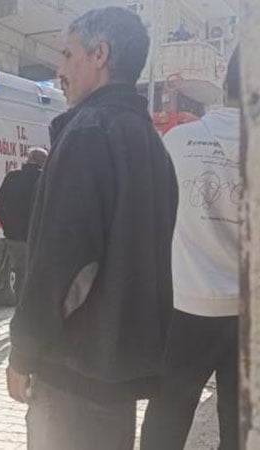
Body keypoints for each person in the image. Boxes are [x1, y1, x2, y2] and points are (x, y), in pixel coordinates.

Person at [5, 7, 179, 450]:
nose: (59, 70)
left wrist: (24, 351)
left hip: (73, 377)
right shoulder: (151, 144)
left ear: (100, 55)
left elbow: (63, 266)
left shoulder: (88, 134)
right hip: (116, 377)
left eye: (67, 54)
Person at [141, 48, 241, 450]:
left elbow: (152, 222)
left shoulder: (178, 141)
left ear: (226, 82)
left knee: (167, 418)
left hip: (185, 306)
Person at [0, 147, 48, 299]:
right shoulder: (44, 179)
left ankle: (20, 305)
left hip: (14, 238)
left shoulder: (12, 177)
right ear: (43, 162)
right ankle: (32, 306)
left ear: (28, 160)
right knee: (37, 274)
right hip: (37, 238)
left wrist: (8, 228)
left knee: (20, 272)